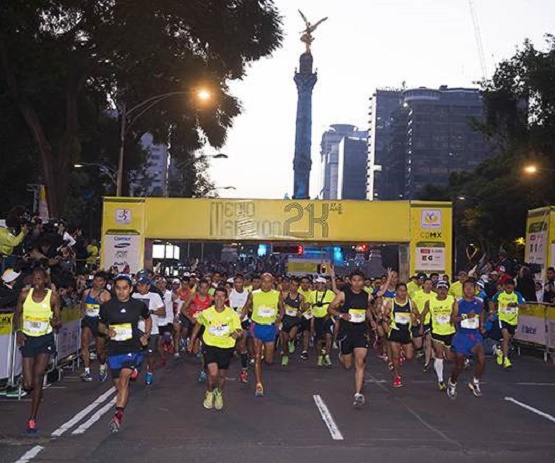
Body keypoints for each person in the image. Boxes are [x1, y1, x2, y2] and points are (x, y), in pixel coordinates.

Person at [98, 274, 151, 433]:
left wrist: (146, 335)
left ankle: (117, 416)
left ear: (131, 289)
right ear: (115, 289)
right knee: (120, 386)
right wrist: (107, 331)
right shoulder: (107, 306)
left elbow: (148, 319)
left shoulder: (138, 305)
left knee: (124, 378)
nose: (121, 292)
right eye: (118, 288)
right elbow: (100, 326)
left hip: (132, 347)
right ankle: (133, 371)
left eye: (125, 288)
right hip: (114, 350)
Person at [13, 267, 61, 433]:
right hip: (28, 338)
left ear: (45, 280)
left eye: (40, 278)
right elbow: (16, 315)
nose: (37, 281)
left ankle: (32, 418)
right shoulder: (24, 295)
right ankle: (34, 389)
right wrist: (18, 331)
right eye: (34, 278)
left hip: (45, 339)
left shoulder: (53, 297)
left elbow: (58, 320)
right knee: (28, 384)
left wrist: (55, 322)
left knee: (38, 375)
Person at [189, 286, 242, 410]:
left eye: (222, 296)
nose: (219, 298)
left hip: (225, 347)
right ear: (213, 298)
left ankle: (218, 393)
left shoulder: (232, 314)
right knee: (213, 373)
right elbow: (198, 325)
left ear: (226, 298)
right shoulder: (207, 312)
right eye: (216, 296)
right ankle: (209, 392)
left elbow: (239, 328)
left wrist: (236, 333)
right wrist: (192, 341)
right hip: (210, 345)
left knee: (222, 376)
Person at [328, 270, 373, 408]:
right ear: (350, 281)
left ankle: (358, 394)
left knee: (360, 361)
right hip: (346, 331)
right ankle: (342, 355)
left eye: (360, 280)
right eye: (354, 280)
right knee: (348, 365)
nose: (357, 283)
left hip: (361, 331)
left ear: (363, 281)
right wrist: (341, 315)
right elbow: (330, 309)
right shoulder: (343, 294)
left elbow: (367, 310)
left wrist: (371, 321)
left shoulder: (367, 295)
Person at [243, 273, 283, 397]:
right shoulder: (253, 294)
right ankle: (259, 384)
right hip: (257, 327)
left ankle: (266, 351)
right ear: (260, 282)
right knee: (257, 355)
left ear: (273, 282)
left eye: (269, 282)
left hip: (270, 328)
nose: (266, 284)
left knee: (269, 360)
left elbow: (282, 310)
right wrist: (239, 318)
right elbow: (245, 308)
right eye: (264, 281)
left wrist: (279, 318)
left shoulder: (277, 294)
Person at [447, 280, 486, 399]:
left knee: (481, 359)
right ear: (463, 289)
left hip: (475, 335)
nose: (469, 289)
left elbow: (481, 313)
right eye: (466, 287)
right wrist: (464, 317)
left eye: (471, 287)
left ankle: (475, 382)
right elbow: (452, 319)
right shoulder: (458, 302)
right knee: (460, 364)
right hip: (462, 335)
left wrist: (482, 325)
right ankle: (452, 383)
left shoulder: (479, 302)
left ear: (475, 289)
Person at [383, 282, 420, 388]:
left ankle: (402, 356)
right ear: (396, 292)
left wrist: (415, 319)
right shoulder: (391, 303)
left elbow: (417, 314)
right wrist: (387, 320)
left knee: (409, 356)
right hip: (395, 331)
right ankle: (397, 377)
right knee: (395, 356)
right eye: (400, 290)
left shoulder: (411, 303)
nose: (403, 293)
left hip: (406, 332)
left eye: (404, 291)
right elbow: (384, 315)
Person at [420, 281, 456, 390]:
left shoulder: (452, 300)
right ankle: (440, 381)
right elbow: (423, 314)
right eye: (440, 288)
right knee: (439, 355)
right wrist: (421, 326)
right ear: (436, 290)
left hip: (450, 332)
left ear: (448, 290)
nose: (442, 291)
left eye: (445, 289)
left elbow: (456, 314)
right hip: (436, 332)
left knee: (450, 358)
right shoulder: (430, 302)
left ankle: (446, 356)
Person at [132, 276, 165, 385]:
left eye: (142, 285)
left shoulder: (155, 296)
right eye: (138, 285)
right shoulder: (133, 296)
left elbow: (162, 312)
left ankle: (150, 372)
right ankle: (135, 368)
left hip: (152, 330)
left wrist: (150, 312)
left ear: (148, 286)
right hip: (136, 329)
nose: (140, 287)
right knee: (135, 351)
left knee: (151, 354)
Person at [80, 272, 111, 382]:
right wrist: (83, 314)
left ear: (104, 283)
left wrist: (102, 304)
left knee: (99, 351)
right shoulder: (87, 292)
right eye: (95, 280)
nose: (97, 283)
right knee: (84, 345)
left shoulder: (106, 295)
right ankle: (87, 371)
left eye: (100, 281)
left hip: (100, 323)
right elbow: (83, 305)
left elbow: (110, 312)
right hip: (88, 321)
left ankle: (103, 365)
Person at [490, 279, 525, 369]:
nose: (509, 289)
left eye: (511, 287)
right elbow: (492, 301)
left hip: (513, 320)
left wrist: (516, 304)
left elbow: (524, 305)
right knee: (505, 337)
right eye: (507, 287)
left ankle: (499, 351)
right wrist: (492, 311)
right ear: (504, 286)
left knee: (508, 339)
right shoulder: (500, 294)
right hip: (502, 319)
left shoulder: (517, 295)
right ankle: (506, 359)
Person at [228, 274, 250, 383]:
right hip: (231, 322)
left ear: (244, 282)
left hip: (243, 321)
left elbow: (247, 307)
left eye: (240, 282)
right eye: (236, 282)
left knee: (242, 345)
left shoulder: (248, 294)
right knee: (230, 345)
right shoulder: (230, 293)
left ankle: (244, 371)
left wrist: (241, 318)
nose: (238, 284)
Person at [411, 277, 434, 371]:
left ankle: (427, 363)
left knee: (429, 341)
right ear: (423, 285)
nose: (428, 286)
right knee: (418, 344)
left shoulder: (434, 295)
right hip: (418, 321)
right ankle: (418, 348)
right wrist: (414, 318)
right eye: (427, 284)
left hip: (429, 321)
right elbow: (411, 306)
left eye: (430, 284)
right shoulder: (417, 294)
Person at [312, 276, 336, 367]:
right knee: (318, 339)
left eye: (319, 283)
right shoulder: (313, 294)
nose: (317, 285)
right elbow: (310, 305)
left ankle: (327, 355)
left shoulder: (330, 294)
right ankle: (319, 357)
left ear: (324, 284)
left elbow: (334, 305)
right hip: (317, 318)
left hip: (328, 318)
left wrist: (329, 314)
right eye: (316, 283)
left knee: (328, 336)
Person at [280, 277, 304, 366]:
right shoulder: (284, 294)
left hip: (295, 320)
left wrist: (300, 312)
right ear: (290, 284)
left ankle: (293, 340)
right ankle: (285, 356)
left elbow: (301, 308)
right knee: (285, 340)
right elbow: (280, 305)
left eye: (296, 285)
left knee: (290, 336)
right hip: (286, 319)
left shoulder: (300, 297)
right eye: (292, 284)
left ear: (298, 287)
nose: (293, 287)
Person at [298, 276, 314, 360]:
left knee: (306, 331)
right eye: (303, 282)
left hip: (307, 315)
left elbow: (306, 306)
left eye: (307, 282)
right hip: (295, 314)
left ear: (309, 284)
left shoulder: (312, 293)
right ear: (300, 284)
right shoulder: (296, 291)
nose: (305, 284)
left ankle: (305, 351)